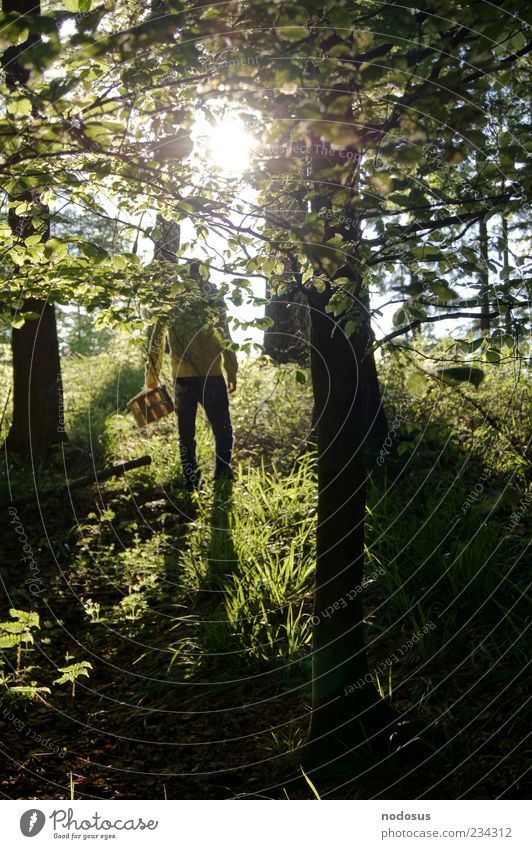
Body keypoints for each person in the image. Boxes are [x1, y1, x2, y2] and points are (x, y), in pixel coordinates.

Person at [145, 257, 238, 490]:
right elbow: (225, 334)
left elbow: (157, 339)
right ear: (204, 274)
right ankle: (222, 474)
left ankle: (191, 479)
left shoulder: (172, 298)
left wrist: (152, 375)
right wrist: (231, 369)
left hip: (183, 379)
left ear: (183, 275)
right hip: (212, 377)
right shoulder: (212, 297)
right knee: (222, 430)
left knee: (186, 433)